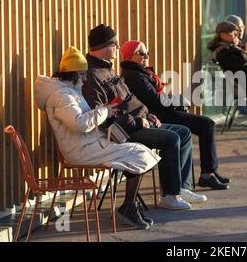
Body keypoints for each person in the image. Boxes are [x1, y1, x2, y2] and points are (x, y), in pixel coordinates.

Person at [82, 24, 207, 211]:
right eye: (115, 44)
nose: (118, 48)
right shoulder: (93, 76)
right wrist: (140, 121)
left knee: (184, 132)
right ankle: (169, 196)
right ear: (105, 46)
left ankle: (180, 187)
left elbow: (130, 99)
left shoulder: (107, 69)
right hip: (122, 132)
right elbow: (105, 116)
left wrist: (148, 114)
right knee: (171, 138)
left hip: (139, 122)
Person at [34, 47, 161, 230]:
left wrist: (107, 110)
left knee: (137, 151)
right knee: (138, 153)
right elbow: (79, 124)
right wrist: (106, 110)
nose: (86, 78)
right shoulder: (62, 96)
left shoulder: (69, 92)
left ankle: (129, 206)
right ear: (74, 74)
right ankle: (128, 207)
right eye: (83, 74)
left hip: (87, 144)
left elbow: (82, 120)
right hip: (80, 150)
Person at [120, 40, 230, 190]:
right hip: (158, 115)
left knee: (205, 124)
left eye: (147, 53)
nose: (146, 57)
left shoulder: (140, 72)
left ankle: (207, 173)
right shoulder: (134, 75)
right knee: (206, 125)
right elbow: (156, 100)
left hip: (162, 111)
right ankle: (202, 177)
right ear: (130, 56)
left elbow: (158, 97)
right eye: (142, 54)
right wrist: (178, 102)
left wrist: (176, 101)